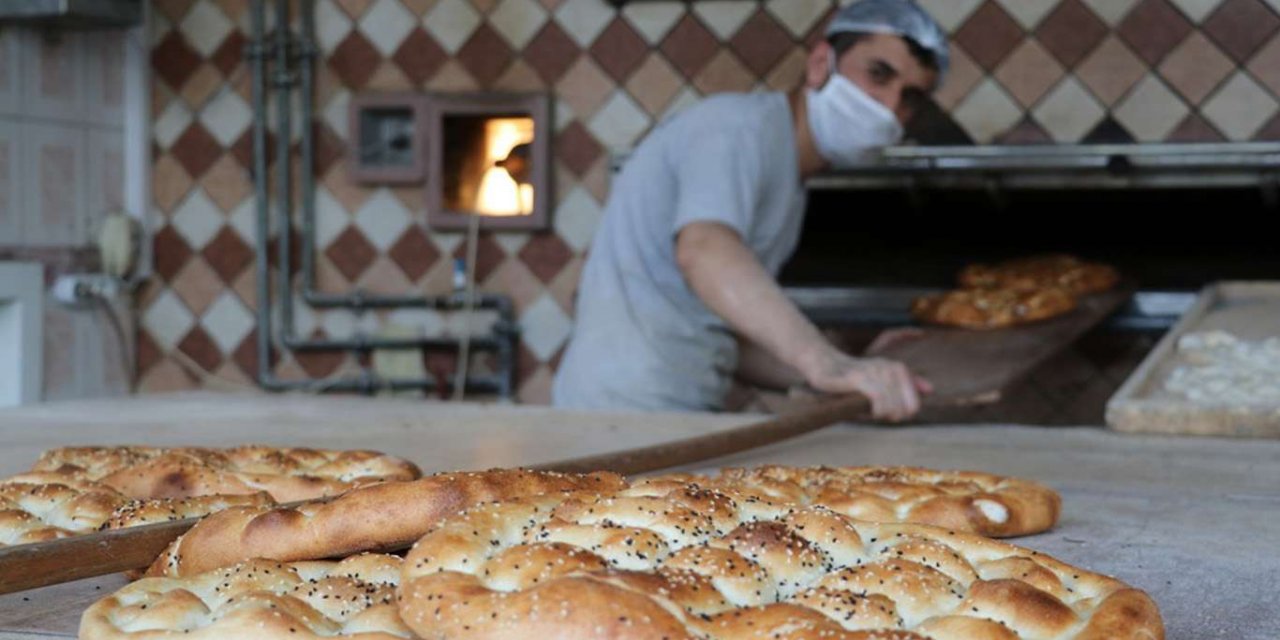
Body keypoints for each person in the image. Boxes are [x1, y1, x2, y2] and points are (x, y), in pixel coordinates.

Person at [553, 0, 947, 421]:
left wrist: (847, 366)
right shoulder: (736, 129)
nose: (888, 106)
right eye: (878, 74)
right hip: (618, 413)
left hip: (679, 413)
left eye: (909, 97)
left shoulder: (789, 181)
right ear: (819, 63)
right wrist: (823, 362)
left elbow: (732, 334)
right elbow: (704, 251)